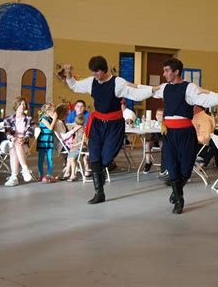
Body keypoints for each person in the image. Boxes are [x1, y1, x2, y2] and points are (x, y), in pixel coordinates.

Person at [63, 56, 157, 204]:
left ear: (104, 70)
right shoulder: (91, 82)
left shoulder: (117, 82)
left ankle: (102, 173)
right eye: (93, 73)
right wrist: (68, 73)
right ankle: (99, 192)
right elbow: (74, 86)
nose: (95, 76)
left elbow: (135, 92)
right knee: (94, 156)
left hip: (114, 125)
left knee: (105, 158)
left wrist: (152, 89)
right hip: (97, 124)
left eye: (97, 72)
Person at [151, 58, 218, 214]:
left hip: (185, 133)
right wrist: (125, 87)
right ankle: (179, 199)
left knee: (185, 169)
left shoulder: (189, 87)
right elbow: (147, 90)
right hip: (169, 133)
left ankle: (176, 190)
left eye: (167, 70)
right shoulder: (164, 88)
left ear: (176, 71)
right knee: (171, 167)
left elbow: (203, 95)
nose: (164, 74)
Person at [2, 97, 35, 187]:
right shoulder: (8, 119)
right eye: (20, 104)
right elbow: (7, 133)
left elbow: (30, 132)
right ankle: (25, 169)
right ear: (16, 106)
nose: (22, 106)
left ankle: (14, 177)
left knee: (15, 147)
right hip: (10, 142)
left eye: (24, 104)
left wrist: (24, 139)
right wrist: (13, 139)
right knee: (15, 144)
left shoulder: (29, 119)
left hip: (23, 143)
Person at [37, 103, 58, 182]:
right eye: (53, 111)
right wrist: (55, 118)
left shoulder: (50, 119)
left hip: (49, 140)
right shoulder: (43, 119)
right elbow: (50, 128)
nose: (55, 112)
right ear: (48, 111)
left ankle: (49, 174)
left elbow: (54, 127)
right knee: (41, 159)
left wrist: (54, 119)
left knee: (50, 159)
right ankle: (41, 175)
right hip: (43, 141)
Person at [143, 108, 165, 174]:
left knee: (162, 144)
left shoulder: (165, 123)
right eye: (158, 114)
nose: (159, 116)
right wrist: (144, 121)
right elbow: (147, 124)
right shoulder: (153, 122)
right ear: (155, 115)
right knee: (147, 144)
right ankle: (148, 162)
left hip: (162, 139)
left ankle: (163, 164)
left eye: (161, 114)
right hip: (154, 139)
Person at [66, 114, 86, 182]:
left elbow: (81, 141)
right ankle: (68, 172)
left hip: (80, 147)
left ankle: (73, 174)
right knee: (69, 158)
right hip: (77, 147)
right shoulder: (80, 128)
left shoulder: (80, 129)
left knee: (72, 159)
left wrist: (74, 144)